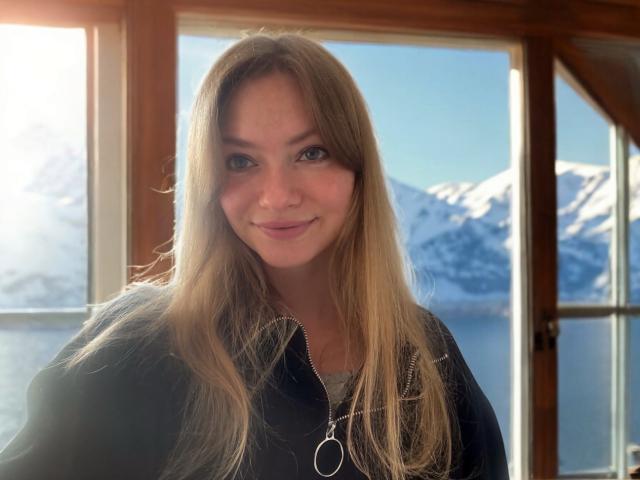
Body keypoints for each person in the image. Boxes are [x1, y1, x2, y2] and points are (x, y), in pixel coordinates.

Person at [0, 33, 508, 479]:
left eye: (311, 153)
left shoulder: (425, 352)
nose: (277, 196)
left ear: (358, 171)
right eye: (240, 160)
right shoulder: (136, 346)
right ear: (208, 181)